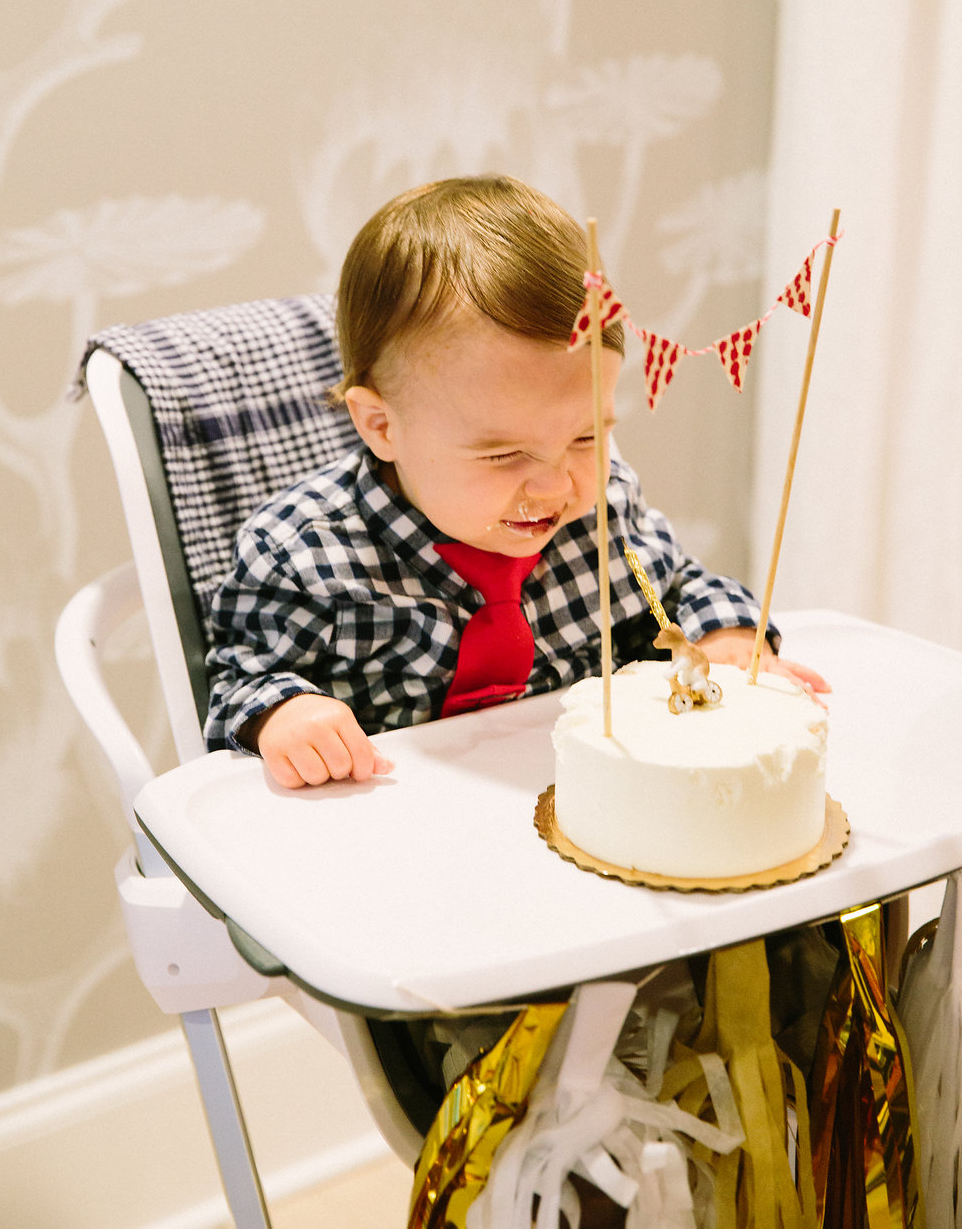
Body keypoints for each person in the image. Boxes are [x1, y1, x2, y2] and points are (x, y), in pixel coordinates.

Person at [205, 174, 828, 787]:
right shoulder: (303, 554)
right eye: (504, 453)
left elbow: (675, 590)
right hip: (396, 834)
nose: (558, 486)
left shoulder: (604, 505)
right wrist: (285, 714)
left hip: (589, 807)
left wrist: (724, 634)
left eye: (587, 436)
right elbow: (241, 680)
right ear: (380, 425)